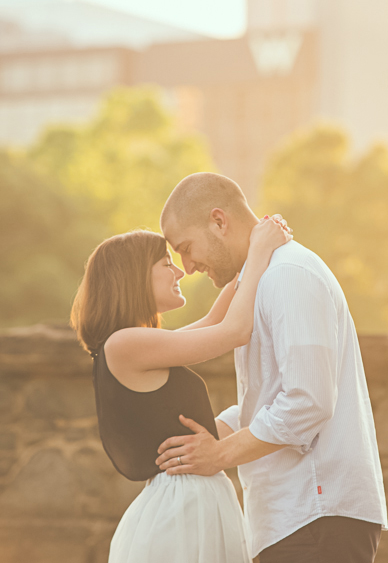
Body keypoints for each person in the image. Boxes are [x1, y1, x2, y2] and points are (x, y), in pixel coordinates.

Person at [154, 172, 388, 563]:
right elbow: (273, 395)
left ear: (219, 221)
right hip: (294, 520)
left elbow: (307, 401)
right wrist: (206, 434)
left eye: (186, 248)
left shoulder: (287, 275)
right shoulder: (262, 279)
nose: (188, 266)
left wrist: (219, 454)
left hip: (316, 516)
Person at [70, 216, 291, 563]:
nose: (179, 272)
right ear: (134, 278)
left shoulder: (134, 344)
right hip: (182, 509)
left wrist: (246, 258)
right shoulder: (124, 344)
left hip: (191, 502)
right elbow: (234, 332)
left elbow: (215, 323)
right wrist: (260, 251)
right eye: (165, 263)